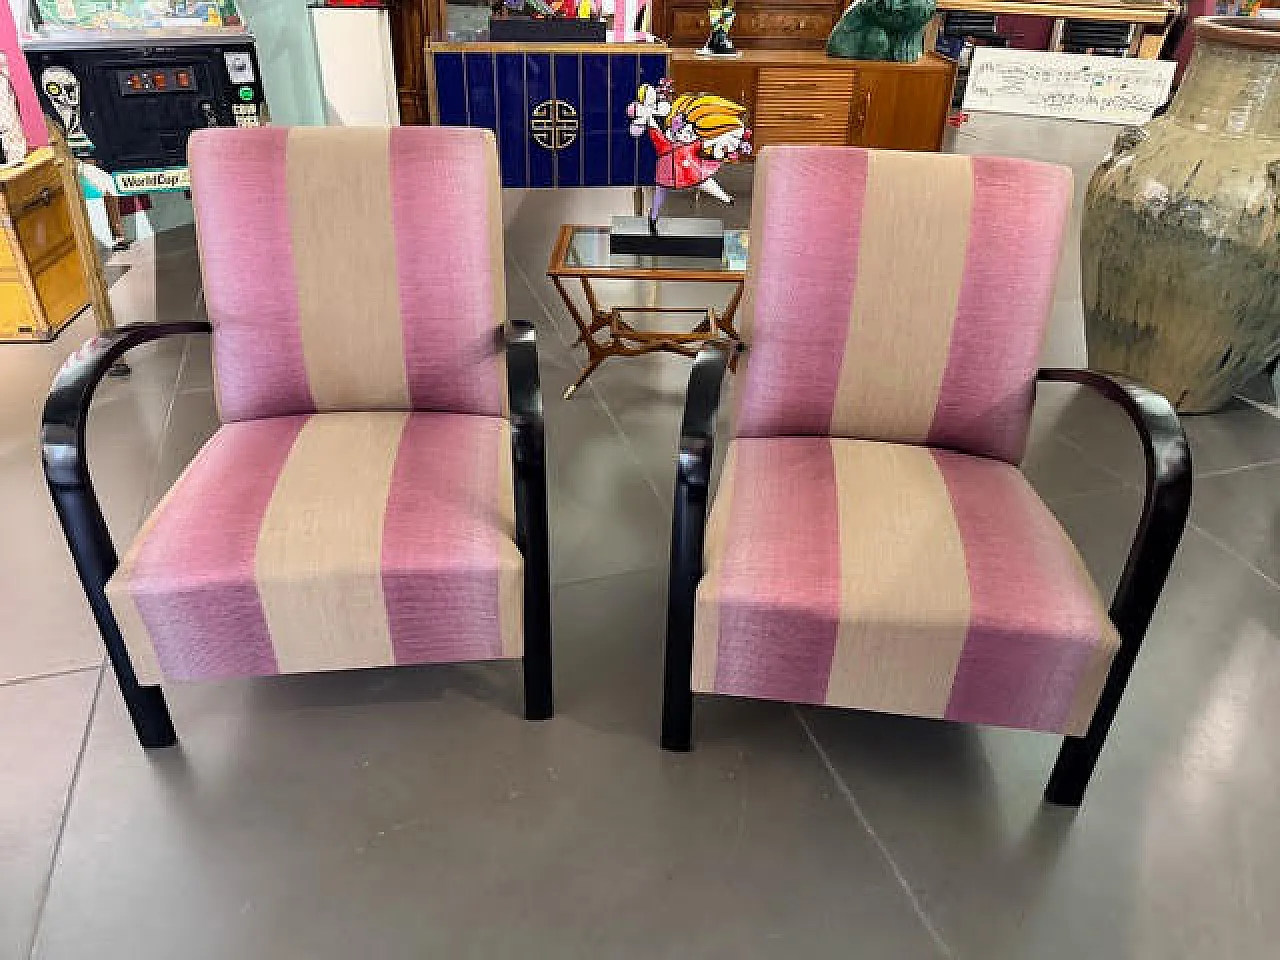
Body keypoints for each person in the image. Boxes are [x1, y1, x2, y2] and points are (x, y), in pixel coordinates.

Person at [627, 81, 750, 224]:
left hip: (687, 164)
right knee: (662, 190)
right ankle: (653, 217)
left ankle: (725, 197)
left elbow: (705, 143)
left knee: (702, 180)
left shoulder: (692, 141)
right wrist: (644, 119)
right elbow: (645, 131)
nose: (686, 134)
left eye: (689, 131)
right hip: (668, 166)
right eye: (683, 131)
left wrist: (727, 147)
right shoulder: (661, 134)